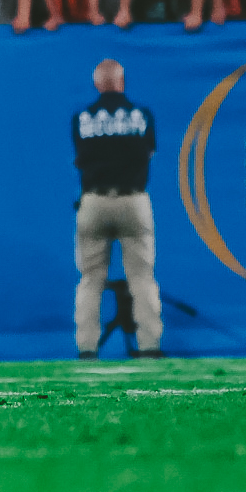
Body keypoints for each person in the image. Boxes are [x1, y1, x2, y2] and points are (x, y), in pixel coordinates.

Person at [73, 57, 161, 359]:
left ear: (97, 84)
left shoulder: (82, 117)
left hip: (94, 199)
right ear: (122, 82)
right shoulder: (142, 115)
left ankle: (86, 347)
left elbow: (81, 156)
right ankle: (149, 345)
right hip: (132, 198)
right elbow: (149, 152)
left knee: (90, 278)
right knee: (142, 277)